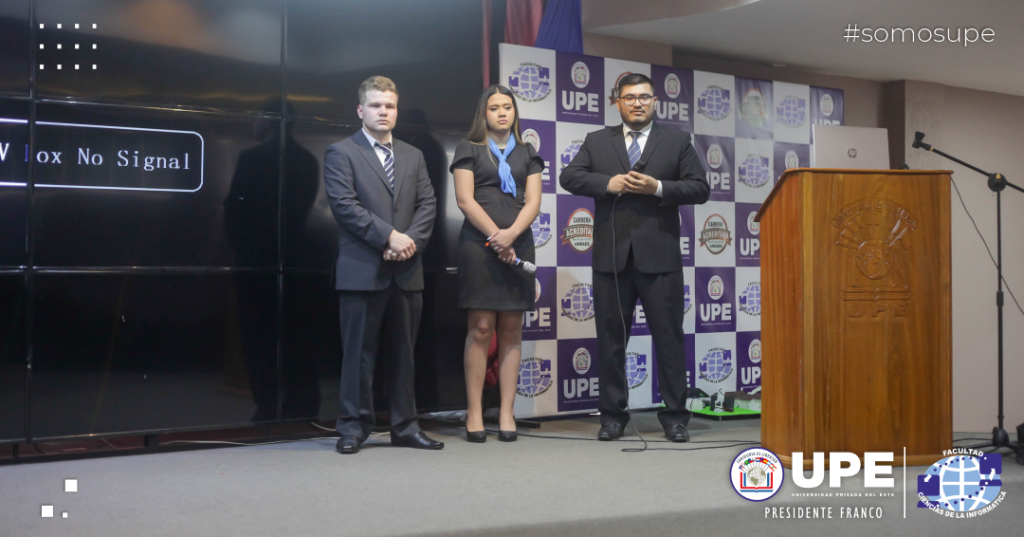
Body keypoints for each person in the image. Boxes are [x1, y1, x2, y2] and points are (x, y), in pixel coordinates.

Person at [560, 73, 709, 443]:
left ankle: (675, 417)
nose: (637, 103)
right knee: (610, 341)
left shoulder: (676, 141)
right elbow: (569, 176)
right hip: (611, 260)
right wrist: (606, 184)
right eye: (629, 98)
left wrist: (658, 188)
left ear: (655, 101)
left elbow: (700, 188)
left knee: (670, 341)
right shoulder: (597, 141)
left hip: (661, 261)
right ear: (617, 103)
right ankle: (612, 417)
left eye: (644, 97)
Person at [323, 76, 442, 454]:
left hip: (407, 270)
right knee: (358, 354)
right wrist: (390, 237)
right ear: (361, 110)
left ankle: (405, 427)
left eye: (389, 105)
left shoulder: (413, 154)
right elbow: (344, 206)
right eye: (376, 105)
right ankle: (353, 429)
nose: (383, 111)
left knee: (405, 355)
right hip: (362, 270)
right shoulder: (341, 152)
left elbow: (428, 204)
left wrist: (409, 244)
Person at [450, 85, 543, 443]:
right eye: (494, 108)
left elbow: (533, 203)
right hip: (478, 245)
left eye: (508, 107)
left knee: (511, 330)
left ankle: (506, 411)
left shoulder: (528, 152)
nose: (502, 113)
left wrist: (511, 235)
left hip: (519, 244)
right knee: (482, 328)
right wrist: (496, 237)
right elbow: (464, 200)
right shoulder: (468, 149)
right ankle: (474, 411)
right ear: (483, 114)